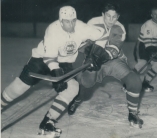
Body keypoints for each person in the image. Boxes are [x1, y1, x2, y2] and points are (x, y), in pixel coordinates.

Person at [1, 6, 104, 137]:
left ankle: (48, 121)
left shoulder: (81, 27)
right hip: (42, 59)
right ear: (61, 21)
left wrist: (96, 54)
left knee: (72, 88)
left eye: (73, 20)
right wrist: (57, 73)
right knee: (21, 86)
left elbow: (102, 34)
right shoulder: (53, 30)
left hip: (65, 62)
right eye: (67, 21)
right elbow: (50, 57)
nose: (71, 24)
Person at [68, 3, 144, 128]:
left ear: (118, 17)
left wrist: (100, 55)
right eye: (108, 16)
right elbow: (83, 45)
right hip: (94, 61)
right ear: (103, 14)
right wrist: (88, 59)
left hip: (113, 61)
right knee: (86, 86)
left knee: (134, 81)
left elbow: (113, 48)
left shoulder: (119, 28)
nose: (111, 20)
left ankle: (133, 114)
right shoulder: (92, 23)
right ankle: (77, 99)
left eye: (114, 17)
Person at [133, 7, 157, 92]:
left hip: (153, 47)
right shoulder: (148, 25)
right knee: (142, 65)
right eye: (154, 14)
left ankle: (145, 82)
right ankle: (128, 82)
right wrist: (151, 53)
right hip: (142, 46)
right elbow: (147, 41)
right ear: (151, 15)